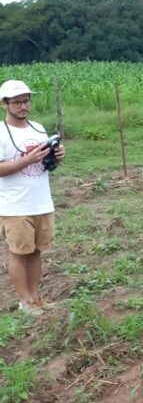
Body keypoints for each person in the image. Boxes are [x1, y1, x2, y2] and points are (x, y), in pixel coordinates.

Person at [0, 80, 66, 314]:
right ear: (5, 104)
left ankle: (36, 298)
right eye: (16, 102)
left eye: (26, 101)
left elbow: (46, 166)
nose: (23, 106)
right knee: (19, 253)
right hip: (14, 205)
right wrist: (26, 160)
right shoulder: (1, 132)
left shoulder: (38, 128)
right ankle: (24, 301)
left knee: (37, 250)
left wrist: (56, 157)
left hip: (41, 201)